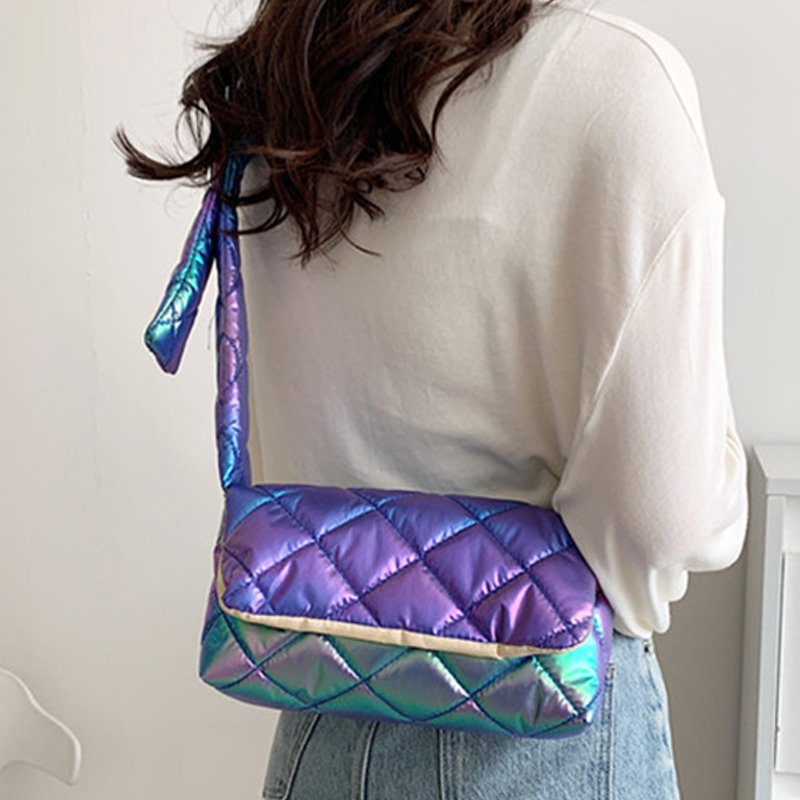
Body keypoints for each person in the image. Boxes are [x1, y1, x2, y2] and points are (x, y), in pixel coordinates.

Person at [116, 0, 749, 797]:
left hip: (322, 697)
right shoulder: (617, 79)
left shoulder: (290, 72)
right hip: (538, 711)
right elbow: (665, 516)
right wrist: (723, 483)